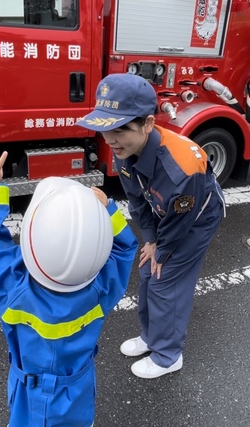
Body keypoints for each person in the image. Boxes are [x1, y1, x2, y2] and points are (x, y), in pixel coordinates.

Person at [0, 152, 138, 426]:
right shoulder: (103, 287)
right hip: (80, 390)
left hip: (34, 401)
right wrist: (107, 210)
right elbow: (126, 248)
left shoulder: (12, 291)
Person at [76, 73, 226, 379]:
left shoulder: (181, 168)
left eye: (120, 129)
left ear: (147, 123)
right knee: (147, 269)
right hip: (165, 213)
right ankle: (150, 337)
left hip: (196, 219)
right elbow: (138, 202)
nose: (110, 140)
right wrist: (150, 239)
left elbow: (182, 219)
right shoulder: (124, 150)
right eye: (105, 129)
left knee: (165, 280)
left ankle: (169, 355)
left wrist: (162, 246)